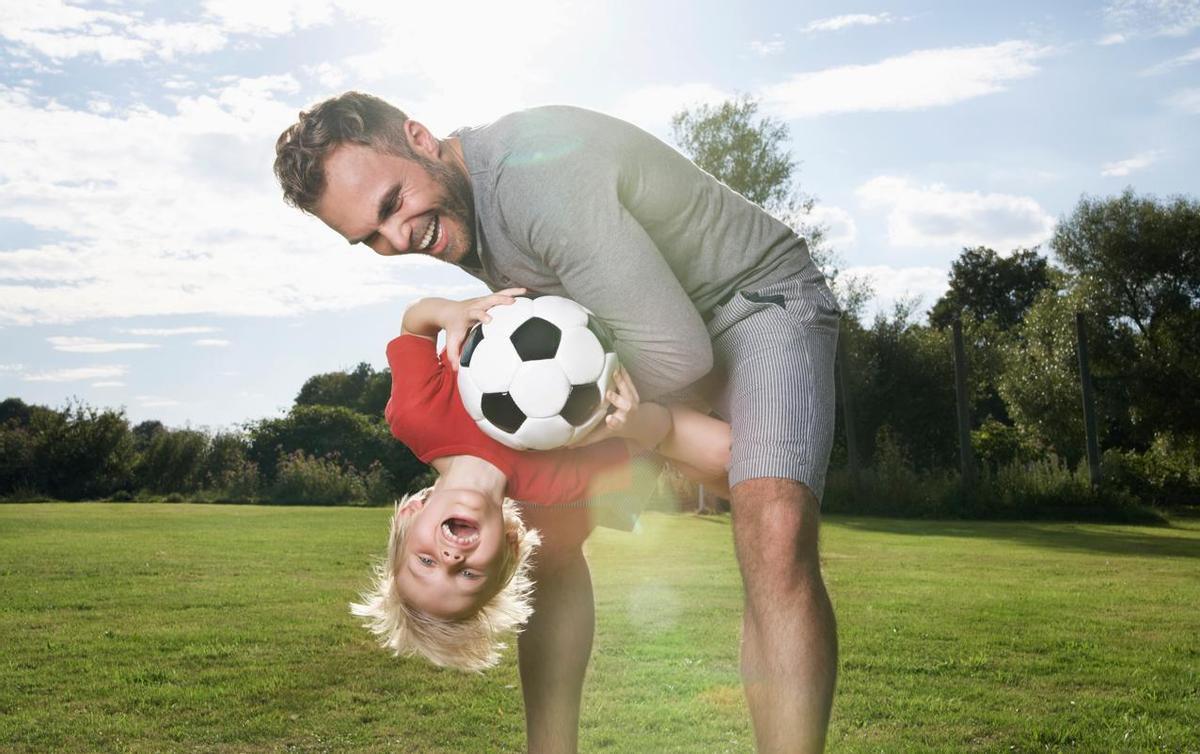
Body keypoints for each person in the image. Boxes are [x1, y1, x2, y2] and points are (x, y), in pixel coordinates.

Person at [275, 92, 839, 754]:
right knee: (545, 529)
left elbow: (676, 354)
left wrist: (556, 430)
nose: (398, 239)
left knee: (773, 519)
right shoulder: (456, 210)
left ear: (421, 139)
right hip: (646, 351)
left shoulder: (532, 182)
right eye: (370, 237)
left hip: (750, 301)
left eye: (392, 205)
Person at [351, 289, 731, 671]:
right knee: (725, 454)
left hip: (533, 282)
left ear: (410, 515)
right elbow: (653, 436)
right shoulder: (554, 485)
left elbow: (414, 323)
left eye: (426, 562)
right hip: (627, 333)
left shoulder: (416, 417)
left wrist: (450, 312)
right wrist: (635, 420)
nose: (450, 558)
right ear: (510, 547)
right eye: (467, 574)